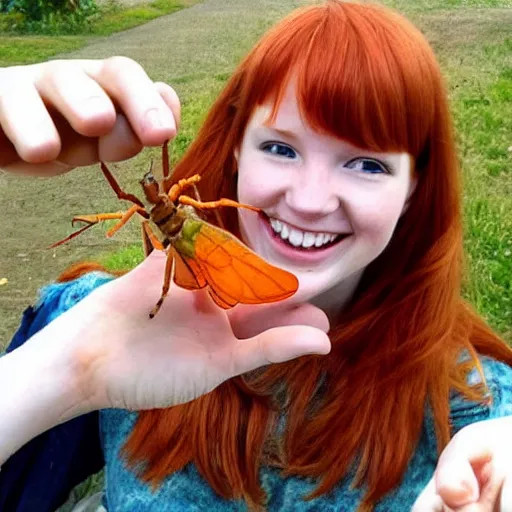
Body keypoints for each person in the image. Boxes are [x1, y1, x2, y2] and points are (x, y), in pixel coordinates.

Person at [0, 1, 511, 511]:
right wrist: (64, 370)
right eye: (281, 149)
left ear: (414, 188)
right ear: (237, 148)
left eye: (366, 164)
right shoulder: (93, 322)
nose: (310, 202)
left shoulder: (478, 405)